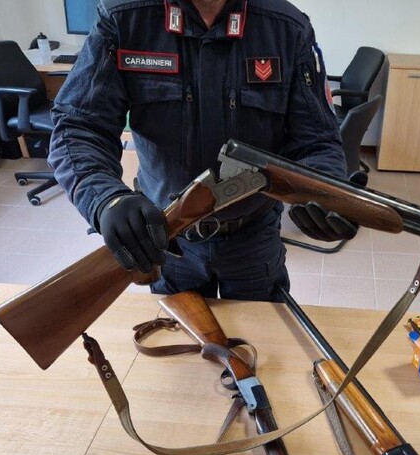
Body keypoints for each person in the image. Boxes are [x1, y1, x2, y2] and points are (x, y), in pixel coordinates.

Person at [49, 0, 356, 302]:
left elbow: (317, 139)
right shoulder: (123, 18)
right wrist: (106, 199)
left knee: (262, 333)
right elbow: (78, 128)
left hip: (253, 237)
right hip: (167, 236)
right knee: (175, 333)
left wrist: (327, 191)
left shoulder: (287, 27)